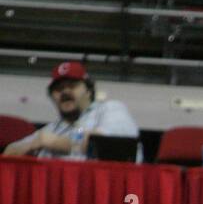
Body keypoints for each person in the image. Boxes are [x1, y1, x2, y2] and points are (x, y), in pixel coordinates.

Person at [2, 62, 138, 158]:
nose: (65, 92)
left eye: (72, 86)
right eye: (58, 89)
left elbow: (115, 145)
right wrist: (32, 144)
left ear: (89, 91)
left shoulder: (110, 109)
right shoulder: (52, 128)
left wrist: (53, 142)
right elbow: (9, 151)